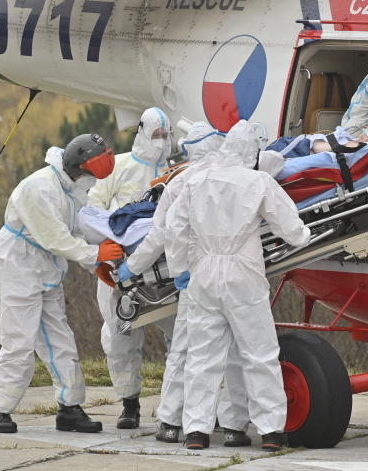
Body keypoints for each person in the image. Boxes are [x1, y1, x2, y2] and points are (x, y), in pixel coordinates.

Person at [164, 120, 311, 452]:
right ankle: (271, 430)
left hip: (203, 274)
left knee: (202, 355)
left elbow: (174, 229)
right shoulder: (257, 181)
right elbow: (289, 225)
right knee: (259, 353)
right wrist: (303, 237)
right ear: (252, 151)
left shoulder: (197, 181)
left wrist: (180, 269)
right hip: (243, 274)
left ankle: (197, 431)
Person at [118, 122, 253, 447]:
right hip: (240, 276)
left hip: (196, 278)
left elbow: (160, 234)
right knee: (235, 350)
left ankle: (170, 423)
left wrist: (130, 268)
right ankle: (234, 427)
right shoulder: (242, 177)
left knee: (183, 352)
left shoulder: (181, 183)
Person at [0, 133, 122, 434]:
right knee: (19, 340)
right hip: (16, 265)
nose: (91, 183)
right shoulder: (38, 189)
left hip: (46, 268)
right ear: (78, 166)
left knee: (59, 338)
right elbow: (55, 238)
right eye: (90, 175)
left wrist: (96, 263)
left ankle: (69, 408)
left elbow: (78, 229)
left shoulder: (71, 186)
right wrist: (95, 254)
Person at [87, 107, 171, 430]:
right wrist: (108, 242)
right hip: (119, 265)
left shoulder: (172, 170)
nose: (161, 142)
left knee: (180, 333)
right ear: (141, 133)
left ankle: (174, 404)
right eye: (155, 135)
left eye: (165, 136)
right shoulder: (119, 167)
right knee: (120, 335)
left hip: (163, 270)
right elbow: (93, 207)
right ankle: (130, 403)